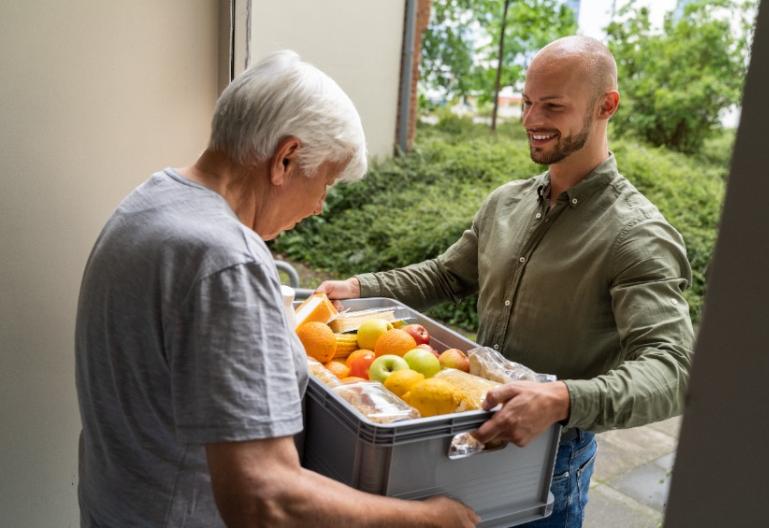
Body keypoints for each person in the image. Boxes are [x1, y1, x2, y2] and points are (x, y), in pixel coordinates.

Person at [74, 50, 478, 528]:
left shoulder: (148, 202)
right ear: (285, 159)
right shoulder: (228, 259)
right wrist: (428, 520)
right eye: (325, 181)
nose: (321, 206)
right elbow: (264, 499)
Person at [318, 36, 694, 528]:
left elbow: (673, 370)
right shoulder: (505, 202)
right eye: (528, 102)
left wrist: (562, 398)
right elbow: (447, 274)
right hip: (462, 428)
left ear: (607, 105)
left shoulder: (637, 235)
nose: (531, 120)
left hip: (551, 462)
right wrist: (360, 288)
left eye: (553, 106)